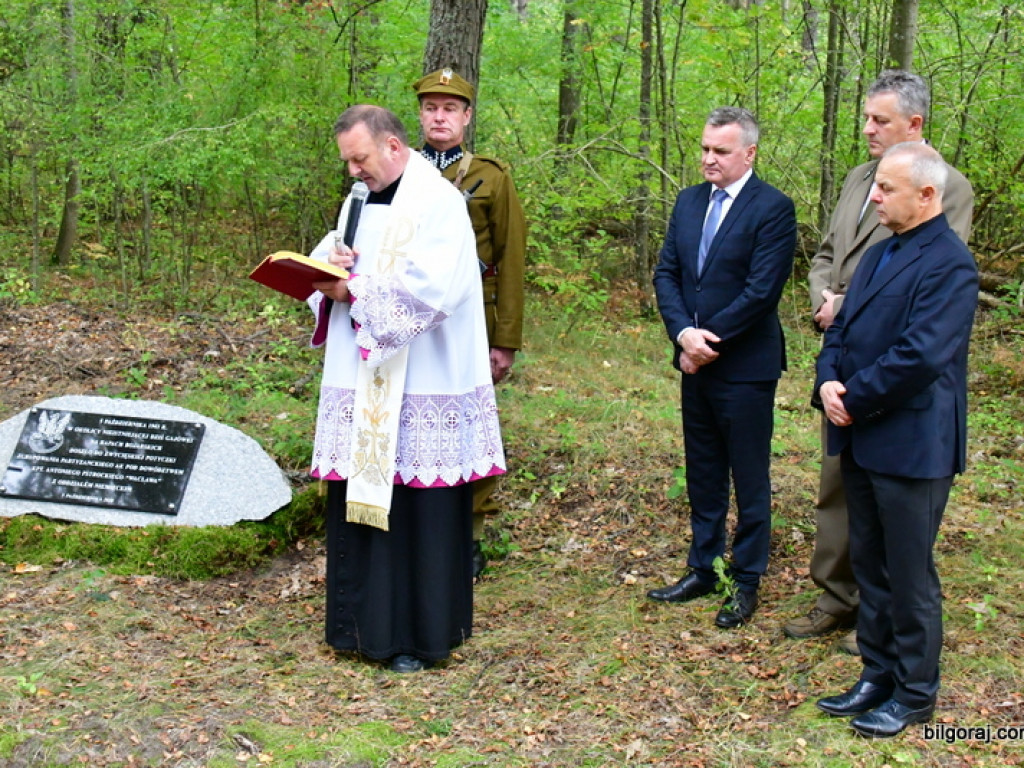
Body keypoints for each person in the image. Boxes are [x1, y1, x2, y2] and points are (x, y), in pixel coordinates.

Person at [306, 105, 506, 673]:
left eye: (360, 159)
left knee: (418, 509)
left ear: (392, 146)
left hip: (423, 379)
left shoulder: (438, 202)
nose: (353, 171)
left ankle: (417, 637)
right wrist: (326, 268)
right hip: (364, 379)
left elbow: (436, 289)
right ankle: (358, 628)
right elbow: (331, 260)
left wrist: (352, 289)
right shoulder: (358, 200)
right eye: (348, 161)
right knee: (360, 499)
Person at [785, 70, 974, 655]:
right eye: (866, 117)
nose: (867, 128)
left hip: (892, 374)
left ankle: (882, 614)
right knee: (839, 483)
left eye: (880, 120)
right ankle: (836, 596)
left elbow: (928, 279)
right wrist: (825, 301)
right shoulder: (857, 179)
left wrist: (850, 305)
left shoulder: (946, 187)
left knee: (894, 500)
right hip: (842, 353)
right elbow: (826, 254)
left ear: (913, 124)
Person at [814, 142, 978, 737]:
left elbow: (921, 356)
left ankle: (914, 694)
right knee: (871, 564)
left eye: (887, 188)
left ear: (927, 195)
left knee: (909, 575)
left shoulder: (951, 265)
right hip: (861, 434)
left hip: (912, 443)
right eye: (876, 186)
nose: (875, 197)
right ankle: (876, 673)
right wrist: (827, 381)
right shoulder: (881, 251)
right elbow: (841, 328)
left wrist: (852, 397)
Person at [649, 107, 797, 628]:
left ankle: (746, 578)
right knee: (704, 469)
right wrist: (682, 335)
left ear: (749, 153)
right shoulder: (689, 201)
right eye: (705, 149)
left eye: (721, 151)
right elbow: (667, 273)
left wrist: (706, 340)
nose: (709, 159)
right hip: (695, 363)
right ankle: (704, 566)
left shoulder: (773, 208)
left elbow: (761, 291)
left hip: (746, 366)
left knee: (749, 476)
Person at [412, 67, 527, 578]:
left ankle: (470, 536)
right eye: (431, 108)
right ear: (420, 115)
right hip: (409, 320)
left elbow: (511, 258)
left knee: (467, 423)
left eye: (450, 109)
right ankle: (413, 524)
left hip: (469, 321)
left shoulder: (491, 177)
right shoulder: (400, 172)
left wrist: (505, 339)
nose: (440, 117)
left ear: (466, 116)